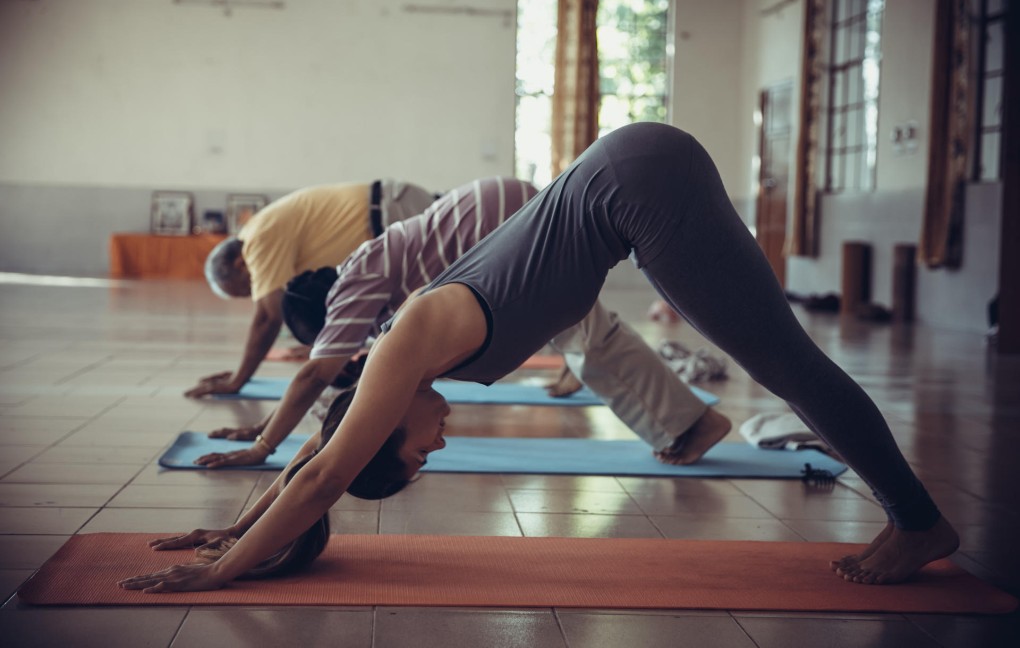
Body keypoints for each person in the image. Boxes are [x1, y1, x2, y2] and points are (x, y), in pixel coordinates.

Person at [120, 123, 958, 594]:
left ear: (380, 429)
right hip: (632, 177)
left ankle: (917, 522)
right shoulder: (407, 362)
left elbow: (325, 472)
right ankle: (914, 517)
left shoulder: (405, 346)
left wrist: (219, 573)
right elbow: (327, 448)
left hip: (637, 185)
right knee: (787, 360)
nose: (438, 446)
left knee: (790, 366)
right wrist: (234, 523)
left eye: (416, 452)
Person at [195, 176, 728, 469]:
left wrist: (263, 446)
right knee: (582, 329)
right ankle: (685, 423)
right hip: (497, 211)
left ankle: (691, 425)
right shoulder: (372, 278)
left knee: (586, 333)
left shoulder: (354, 286)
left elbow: (317, 375)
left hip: (497, 225)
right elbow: (365, 385)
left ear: (333, 316)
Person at [185, 180, 435, 398]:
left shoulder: (257, 239)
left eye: (249, 288)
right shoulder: (264, 236)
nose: (257, 292)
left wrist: (238, 379)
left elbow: (268, 317)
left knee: (432, 308)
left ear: (240, 264)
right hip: (388, 213)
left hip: (393, 209)